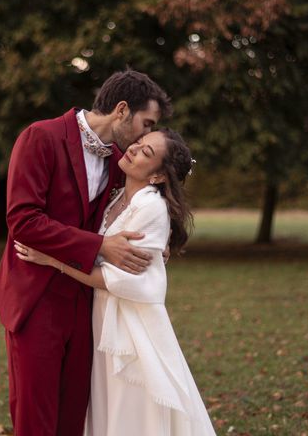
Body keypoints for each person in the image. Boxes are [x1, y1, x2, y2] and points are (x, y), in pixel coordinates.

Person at [0, 70, 173, 436]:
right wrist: (100, 246)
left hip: (86, 302)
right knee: (36, 420)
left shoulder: (122, 161)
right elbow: (23, 221)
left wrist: (163, 241)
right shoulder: (40, 137)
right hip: (35, 296)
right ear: (122, 110)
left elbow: (147, 199)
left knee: (73, 420)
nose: (147, 136)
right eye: (147, 123)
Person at [14, 128, 217, 435]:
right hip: (103, 318)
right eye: (139, 143)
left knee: (132, 412)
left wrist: (53, 260)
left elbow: (115, 280)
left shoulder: (149, 207)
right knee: (106, 409)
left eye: (146, 153)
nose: (133, 149)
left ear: (158, 177)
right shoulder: (117, 196)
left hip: (130, 327)